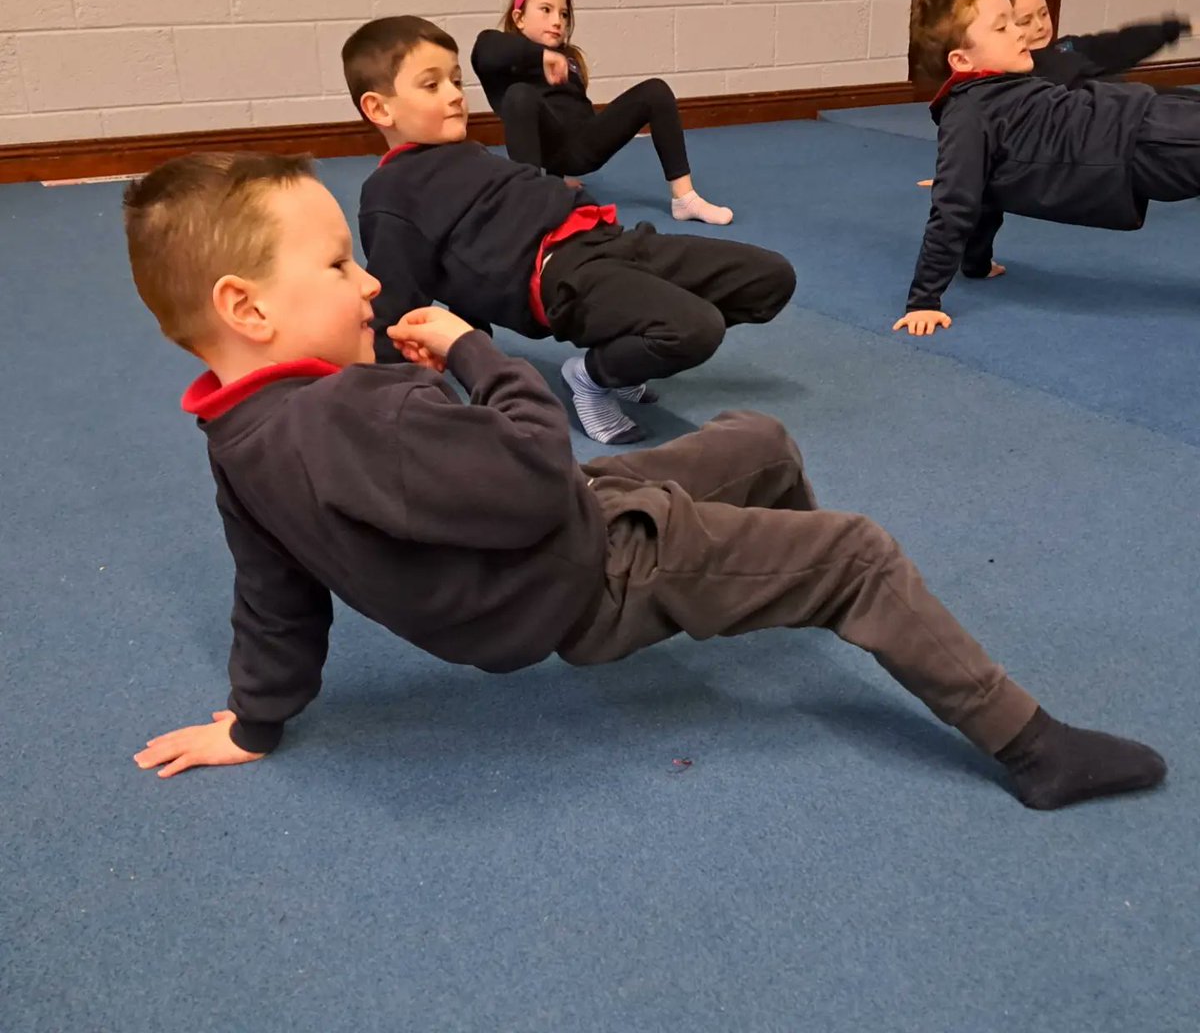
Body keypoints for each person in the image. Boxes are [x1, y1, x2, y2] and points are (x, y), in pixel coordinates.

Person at [125, 151, 1166, 811]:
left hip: (562, 534)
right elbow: (534, 475)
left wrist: (256, 719)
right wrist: (475, 358)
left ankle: (780, 593)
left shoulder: (237, 435)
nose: (372, 283)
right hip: (588, 576)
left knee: (758, 441)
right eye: (341, 267)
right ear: (248, 308)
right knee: (856, 553)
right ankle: (1034, 750)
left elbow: (273, 592)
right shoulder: (363, 413)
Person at [344, 15, 793, 444]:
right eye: (431, 85)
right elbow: (398, 305)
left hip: (611, 240)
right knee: (697, 328)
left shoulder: (466, 152)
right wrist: (388, 393)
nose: (456, 95)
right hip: (563, 275)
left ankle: (628, 353)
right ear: (379, 108)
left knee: (770, 278)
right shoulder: (391, 195)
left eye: (456, 81)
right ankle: (592, 377)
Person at [896, 0, 1200, 335]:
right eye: (1002, 26)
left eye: (1014, 20)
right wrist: (924, 300)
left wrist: (977, 263)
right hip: (1143, 142)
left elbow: (985, 194)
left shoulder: (1004, 90)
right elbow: (957, 203)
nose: (1020, 32)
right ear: (962, 60)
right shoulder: (970, 115)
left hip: (1148, 119)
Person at [472, 0, 732, 224]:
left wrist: (559, 174)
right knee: (520, 95)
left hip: (585, 143)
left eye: (563, 14)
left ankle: (684, 198)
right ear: (519, 19)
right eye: (546, 10)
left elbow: (567, 109)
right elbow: (483, 49)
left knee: (656, 90)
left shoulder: (568, 59)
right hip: (549, 146)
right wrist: (539, 56)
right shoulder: (508, 61)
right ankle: (531, 206)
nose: (557, 21)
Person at [1009, 0, 1191, 88]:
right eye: (1026, 21)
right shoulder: (1018, 76)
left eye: (1044, 14)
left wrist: (1162, 32)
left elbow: (1114, 46)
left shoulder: (1066, 46)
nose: (1040, 25)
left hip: (1129, 95)